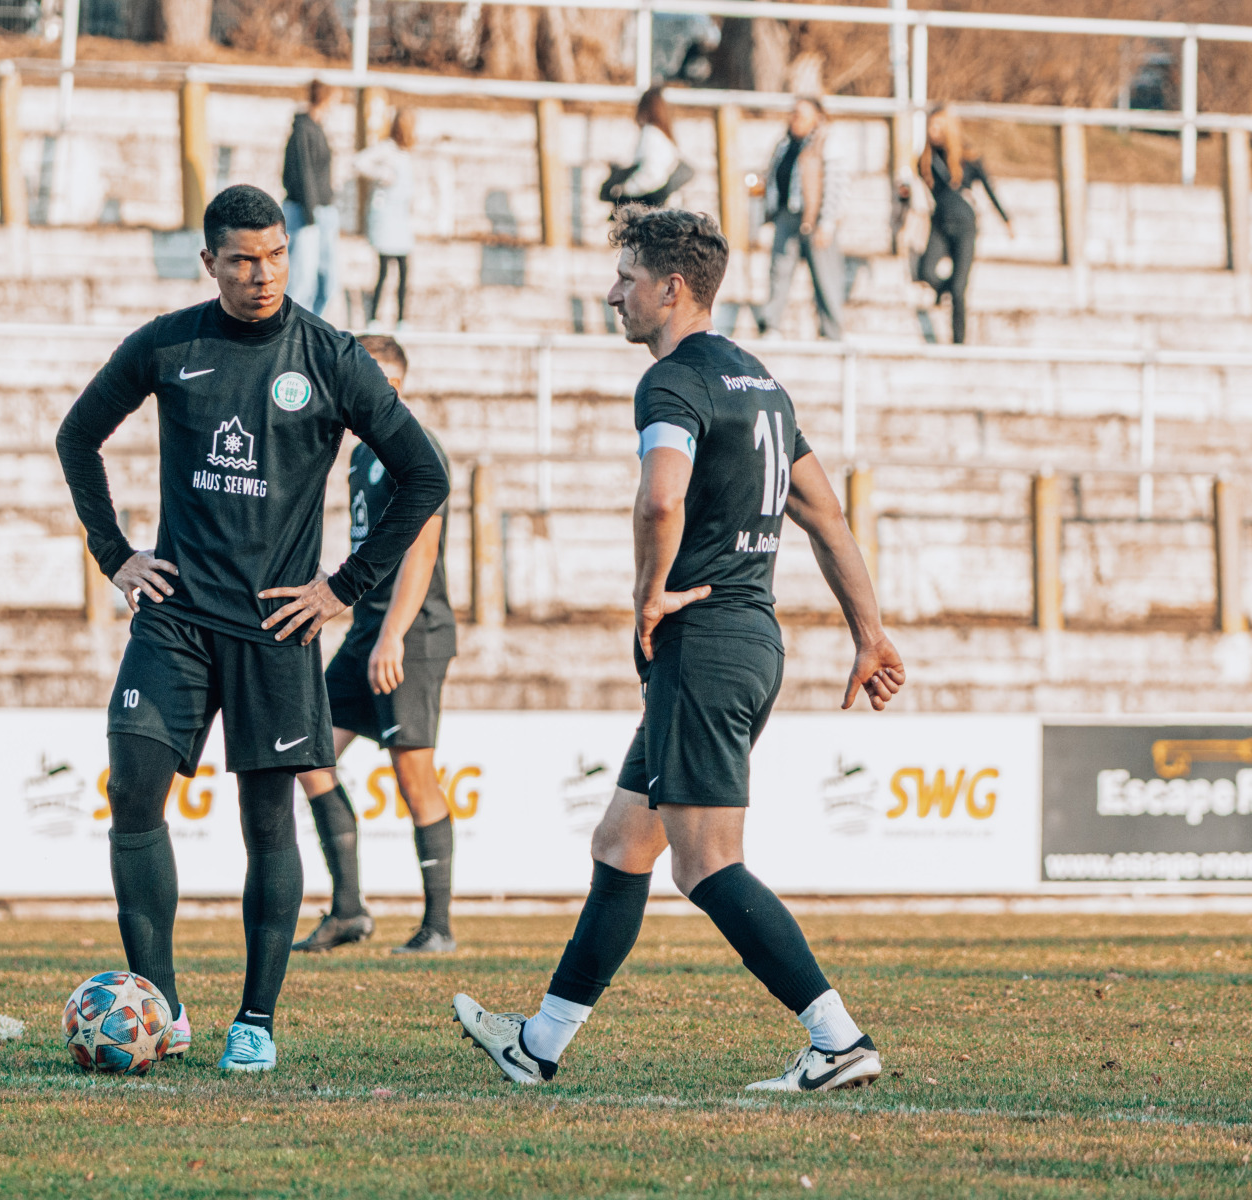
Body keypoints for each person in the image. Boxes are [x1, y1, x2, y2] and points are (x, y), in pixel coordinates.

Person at [452, 207, 906, 1091]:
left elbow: (661, 498)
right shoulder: (760, 382)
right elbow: (825, 515)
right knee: (623, 843)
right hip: (749, 640)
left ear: (670, 289)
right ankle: (539, 1044)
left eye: (624, 278)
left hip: (701, 643)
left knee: (706, 864)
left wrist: (648, 593)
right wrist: (870, 633)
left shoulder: (672, 382)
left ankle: (838, 1039)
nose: (610, 293)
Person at [56, 184, 448, 1073]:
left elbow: (426, 475)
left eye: (275, 256)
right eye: (242, 259)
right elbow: (78, 437)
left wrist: (343, 588)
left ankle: (255, 1020)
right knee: (132, 791)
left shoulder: (332, 356)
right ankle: (161, 1007)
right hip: (175, 619)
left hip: (277, 629)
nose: (262, 273)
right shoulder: (169, 344)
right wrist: (115, 554)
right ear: (210, 262)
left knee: (268, 821)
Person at [292, 334, 458, 956]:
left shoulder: (415, 447)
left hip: (410, 633)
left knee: (413, 774)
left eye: (389, 383)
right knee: (309, 755)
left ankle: (437, 927)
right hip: (368, 630)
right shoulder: (360, 454)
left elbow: (422, 549)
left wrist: (392, 636)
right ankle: (348, 910)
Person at [915, 105, 1012, 345]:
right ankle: (942, 292)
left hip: (965, 225)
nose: (933, 131)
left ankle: (958, 343)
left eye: (938, 126)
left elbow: (989, 190)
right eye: (931, 126)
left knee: (959, 289)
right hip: (940, 223)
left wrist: (1006, 219)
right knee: (925, 272)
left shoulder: (969, 158)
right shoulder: (925, 160)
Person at [755, 97, 846, 341]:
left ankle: (832, 332)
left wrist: (827, 222)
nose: (795, 119)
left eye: (801, 114)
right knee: (779, 272)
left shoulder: (827, 143)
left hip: (815, 218)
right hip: (787, 215)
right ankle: (771, 326)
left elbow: (835, 185)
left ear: (817, 117)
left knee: (825, 277)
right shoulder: (784, 144)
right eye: (793, 113)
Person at [352, 110, 417, 329]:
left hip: (402, 218)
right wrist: (382, 175)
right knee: (384, 268)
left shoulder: (406, 152)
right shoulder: (387, 149)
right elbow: (359, 162)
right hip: (387, 217)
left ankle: (401, 319)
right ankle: (374, 318)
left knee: (404, 269)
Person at [282, 81, 342, 321]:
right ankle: (292, 328)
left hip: (323, 211)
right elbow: (302, 172)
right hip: (307, 211)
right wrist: (311, 213)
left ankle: (312, 327)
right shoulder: (303, 130)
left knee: (327, 280)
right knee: (301, 279)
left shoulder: (317, 128)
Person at [602, 86, 692, 210]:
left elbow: (651, 173)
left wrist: (624, 189)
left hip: (658, 210)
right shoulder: (662, 135)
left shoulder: (651, 134)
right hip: (668, 208)